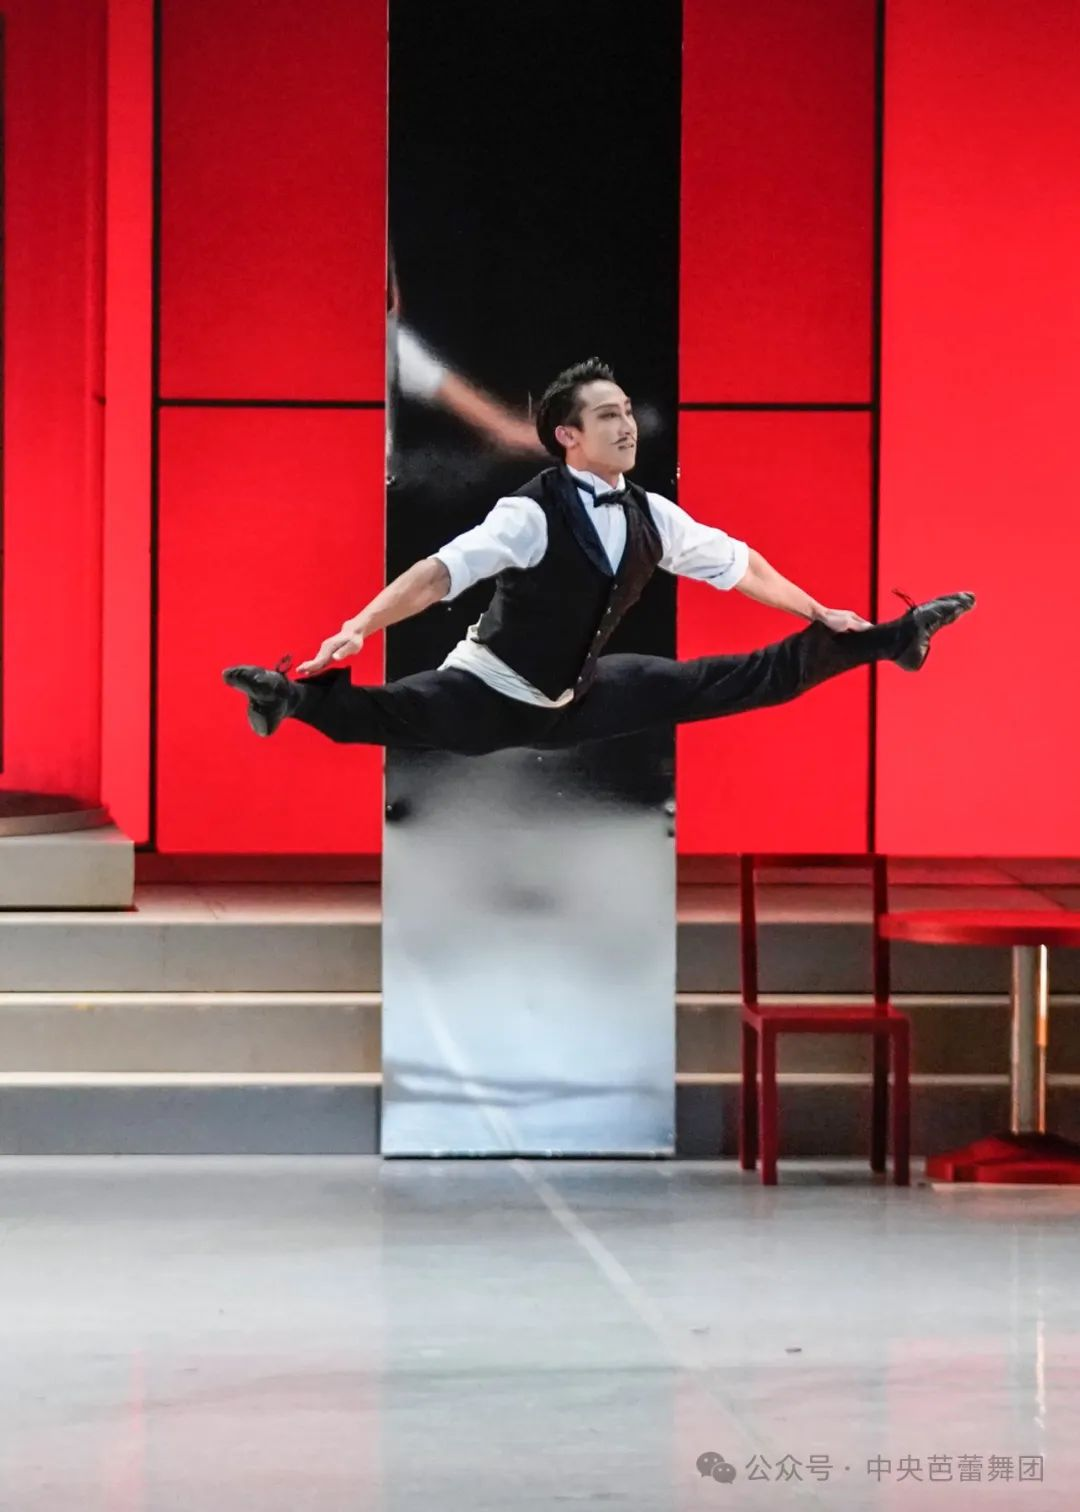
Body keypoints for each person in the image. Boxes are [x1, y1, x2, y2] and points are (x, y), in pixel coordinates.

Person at [223, 358, 975, 754]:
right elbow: (439, 573)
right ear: (568, 436)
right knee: (400, 711)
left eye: (627, 413)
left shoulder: (652, 514)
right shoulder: (531, 511)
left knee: (735, 679)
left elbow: (740, 564)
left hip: (579, 698)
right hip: (492, 691)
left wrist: (817, 609)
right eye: (608, 415)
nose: (627, 426)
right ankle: (285, 697)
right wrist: (361, 625)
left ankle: (893, 639)